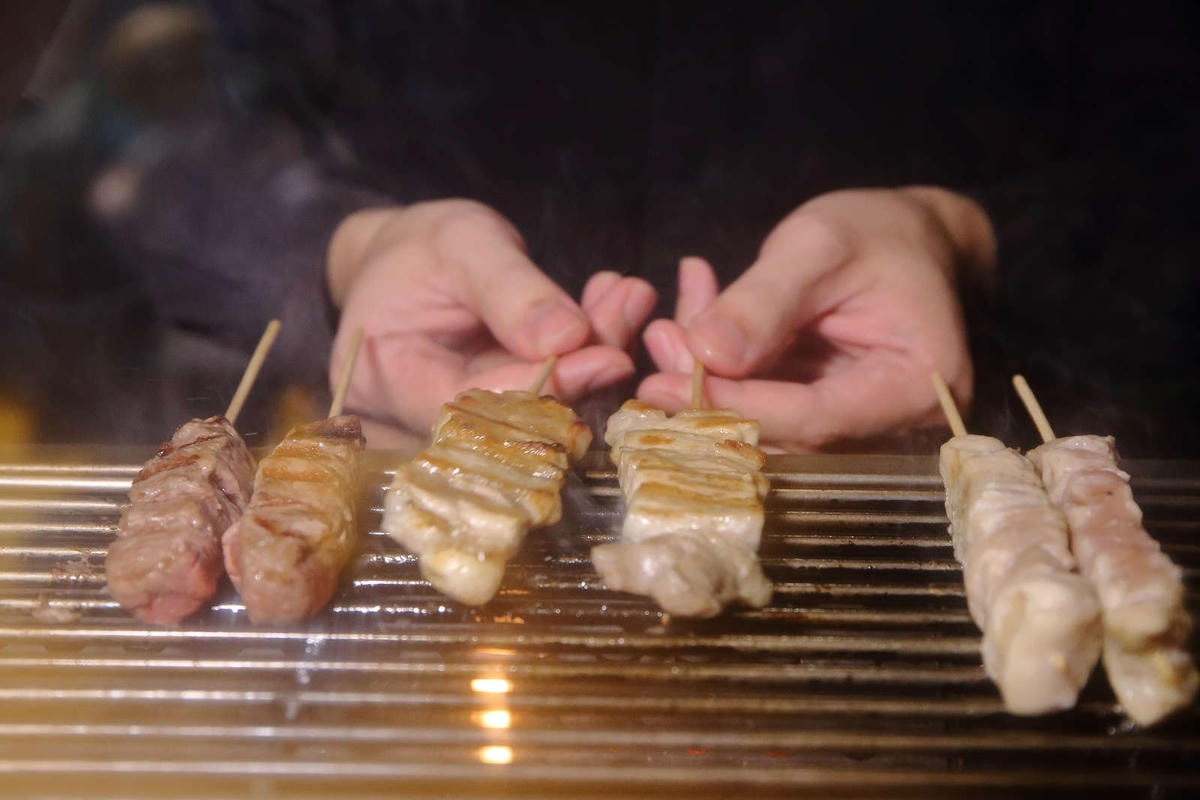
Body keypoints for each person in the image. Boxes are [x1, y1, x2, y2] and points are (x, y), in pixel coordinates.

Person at [3, 1, 1199, 456]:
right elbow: (127, 110)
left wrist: (966, 237)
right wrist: (338, 247)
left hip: (934, 487)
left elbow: (1163, 144)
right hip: (400, 450)